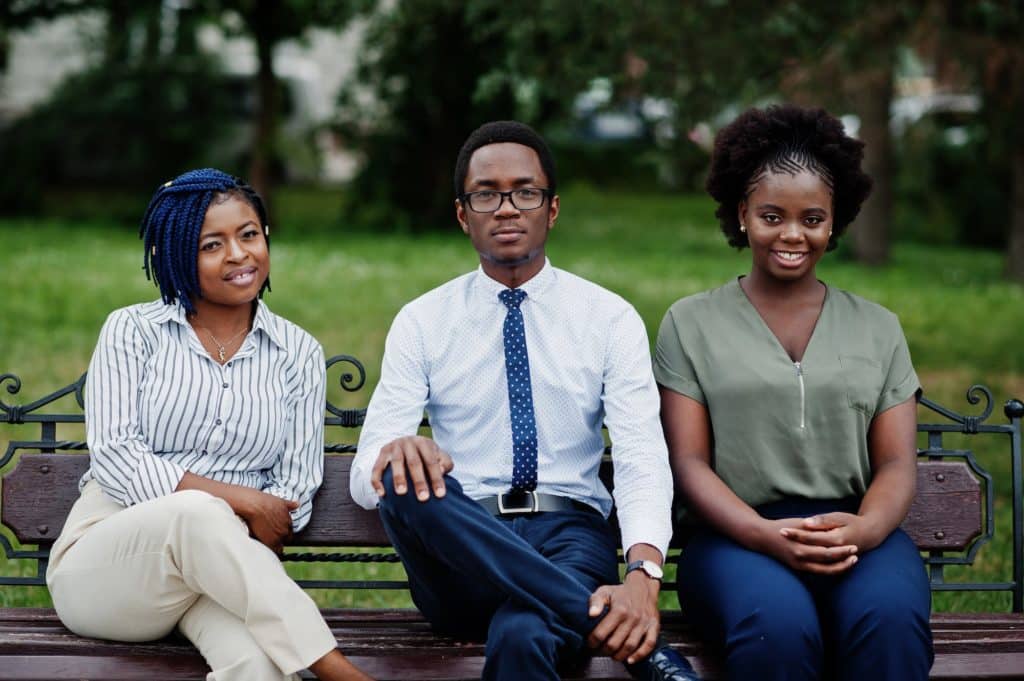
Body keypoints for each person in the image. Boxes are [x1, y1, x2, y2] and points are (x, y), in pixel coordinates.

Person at [350, 121, 697, 681]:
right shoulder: (423, 321)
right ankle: (612, 632)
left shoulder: (608, 318)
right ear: (464, 214)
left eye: (525, 192)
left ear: (551, 209)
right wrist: (404, 450)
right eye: (486, 194)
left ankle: (566, 608)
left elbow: (640, 456)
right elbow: (363, 479)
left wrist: (641, 576)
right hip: (458, 554)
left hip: (568, 536)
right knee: (397, 473)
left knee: (523, 635)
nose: (506, 208)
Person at [45, 169, 372, 681]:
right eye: (211, 245)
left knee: (259, 667)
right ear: (175, 255)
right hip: (109, 567)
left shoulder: (298, 353)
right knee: (196, 512)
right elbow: (116, 458)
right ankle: (331, 667)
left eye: (249, 235)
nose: (239, 255)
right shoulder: (133, 332)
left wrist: (241, 517)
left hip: (220, 571)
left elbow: (293, 489)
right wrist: (240, 500)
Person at [654, 105, 934, 680]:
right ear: (743, 215)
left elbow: (897, 463)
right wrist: (763, 534)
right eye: (772, 215)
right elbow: (688, 462)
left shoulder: (878, 328)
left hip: (858, 534)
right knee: (775, 629)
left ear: (835, 223)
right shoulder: (690, 324)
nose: (792, 234)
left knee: (889, 620)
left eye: (812, 218)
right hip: (736, 537)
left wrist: (866, 529)